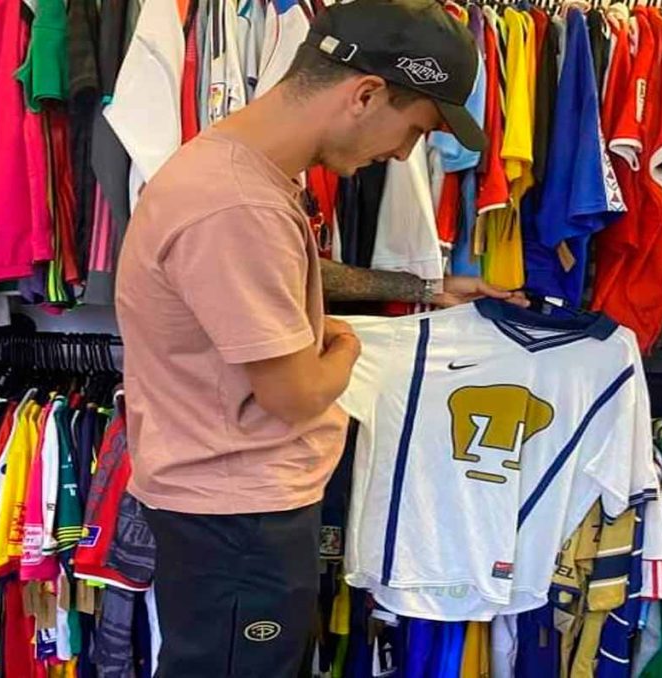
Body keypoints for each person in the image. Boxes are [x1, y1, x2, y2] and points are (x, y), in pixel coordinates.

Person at [115, 1, 521, 675]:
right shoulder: (237, 206)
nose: (402, 153)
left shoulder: (234, 170)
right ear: (365, 94)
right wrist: (346, 345)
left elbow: (281, 274)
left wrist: (424, 289)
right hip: (239, 518)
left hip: (228, 507)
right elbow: (296, 395)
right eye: (415, 129)